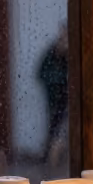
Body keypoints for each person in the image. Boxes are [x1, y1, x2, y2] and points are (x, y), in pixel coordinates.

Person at [37, 25, 68, 163]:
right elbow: (41, 73)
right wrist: (58, 80)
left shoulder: (71, 53)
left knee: (64, 129)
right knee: (54, 127)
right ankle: (49, 158)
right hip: (54, 99)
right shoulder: (52, 52)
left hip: (69, 100)